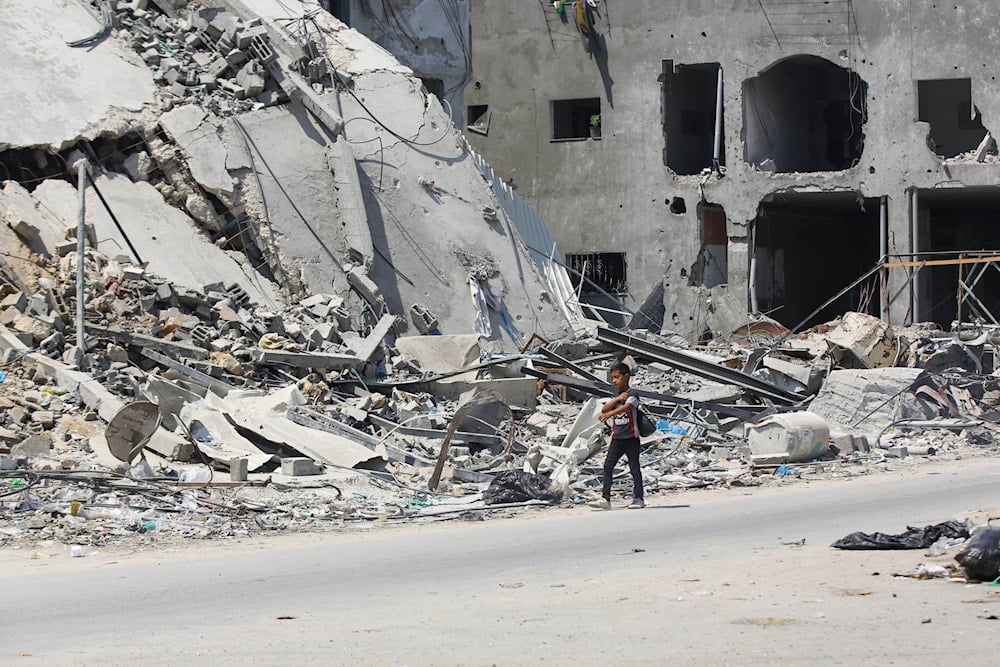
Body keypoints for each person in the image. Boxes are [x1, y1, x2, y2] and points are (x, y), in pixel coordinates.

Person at [588, 362, 645, 510]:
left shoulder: (633, 394)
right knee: (608, 466)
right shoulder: (617, 396)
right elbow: (605, 408)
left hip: (631, 438)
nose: (614, 381)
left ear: (626, 376)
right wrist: (617, 399)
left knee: (634, 468)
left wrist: (609, 414)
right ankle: (605, 499)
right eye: (612, 378)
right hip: (617, 438)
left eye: (617, 377)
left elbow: (627, 407)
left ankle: (639, 498)